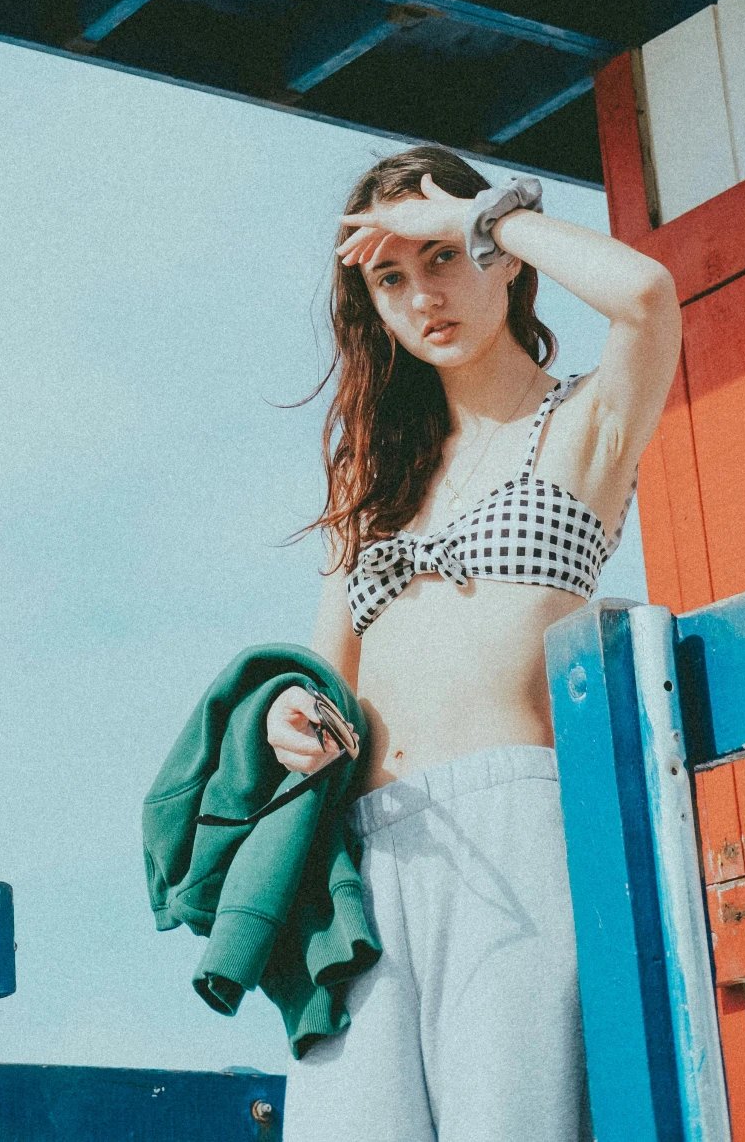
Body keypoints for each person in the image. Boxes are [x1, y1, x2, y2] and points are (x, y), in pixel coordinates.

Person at [269, 141, 681, 1142]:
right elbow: (323, 675)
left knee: (513, 1123)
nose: (423, 295)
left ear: (500, 253)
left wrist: (477, 216)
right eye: (389, 277)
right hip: (368, 851)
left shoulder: (579, 423)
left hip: (513, 832)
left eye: (439, 258)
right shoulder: (370, 479)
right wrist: (293, 712)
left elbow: (647, 293)